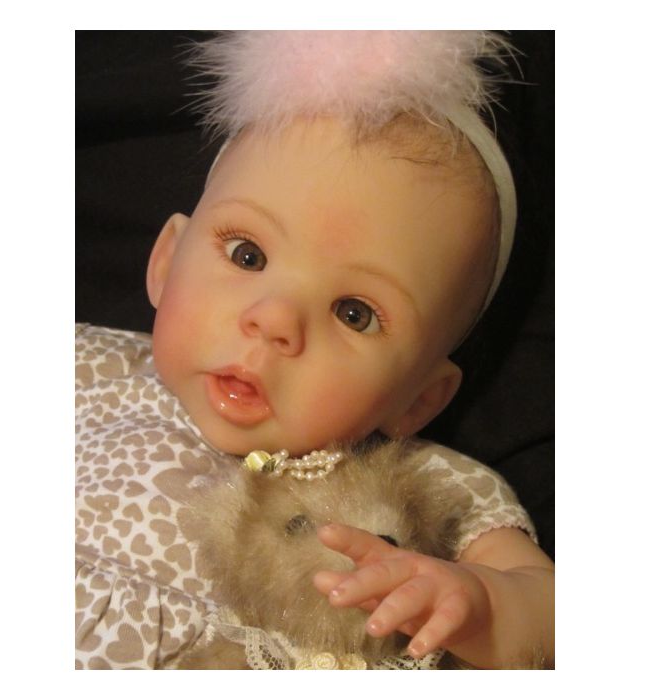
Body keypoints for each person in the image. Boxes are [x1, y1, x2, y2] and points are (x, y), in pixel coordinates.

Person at [75, 30, 554, 670]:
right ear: (165, 263)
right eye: (248, 255)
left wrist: (481, 604)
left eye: (354, 313)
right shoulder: (85, 364)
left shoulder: (417, 482)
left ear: (418, 399)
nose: (275, 320)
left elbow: (556, 615)